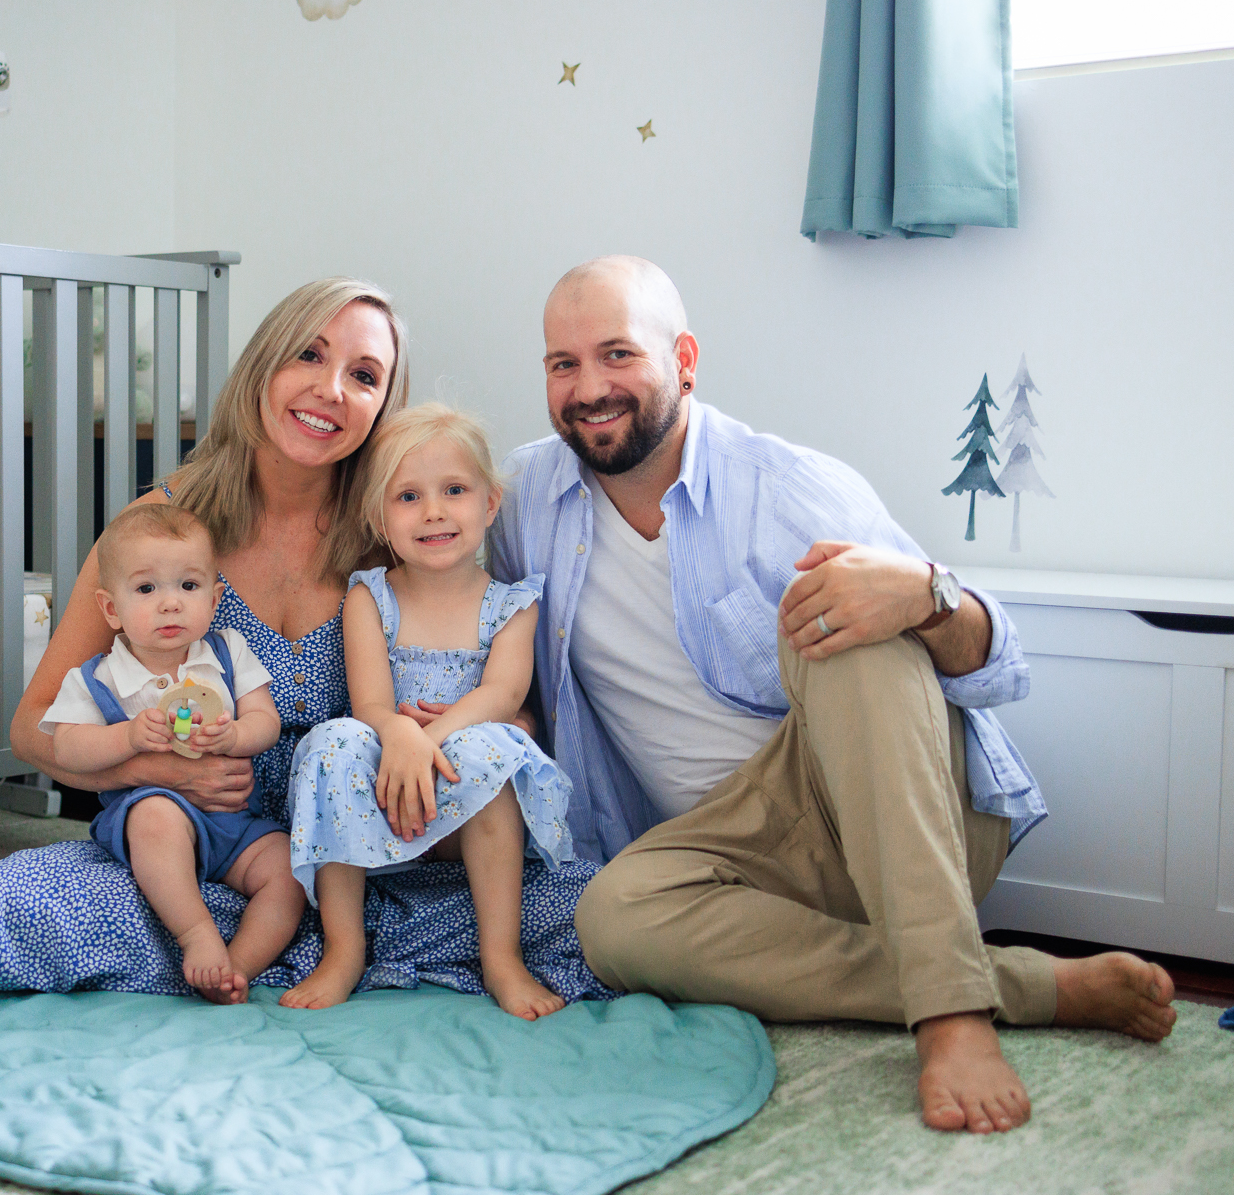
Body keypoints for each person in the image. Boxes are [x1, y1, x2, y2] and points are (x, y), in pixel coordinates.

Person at [487, 256, 1179, 1135]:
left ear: (685, 359)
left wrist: (926, 594)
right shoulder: (524, 504)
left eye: (618, 355)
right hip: (724, 862)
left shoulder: (785, 487)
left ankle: (953, 1017)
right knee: (610, 921)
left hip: (887, 813)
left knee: (845, 620)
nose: (589, 388)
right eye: (563, 364)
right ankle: (1029, 984)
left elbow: (1000, 665)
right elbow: (454, 605)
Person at [0, 276, 607, 1005]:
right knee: (12, 904)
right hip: (208, 860)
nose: (331, 389)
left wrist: (437, 747)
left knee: (592, 912)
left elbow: (514, 712)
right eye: (308, 355)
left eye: (363, 376)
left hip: (374, 862)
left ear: (381, 407)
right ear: (264, 365)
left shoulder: (400, 530)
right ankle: (239, 946)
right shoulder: (162, 530)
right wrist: (151, 772)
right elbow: (33, 725)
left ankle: (318, 946)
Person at [282, 405, 574, 1018]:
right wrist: (399, 738)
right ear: (380, 517)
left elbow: (502, 695)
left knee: (489, 750)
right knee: (336, 742)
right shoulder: (370, 596)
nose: (434, 511)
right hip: (389, 794)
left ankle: (502, 957)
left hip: (459, 791)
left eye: (454, 491)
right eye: (408, 496)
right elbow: (371, 704)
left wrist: (430, 738)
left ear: (490, 504)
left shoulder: (511, 605)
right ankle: (344, 949)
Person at [39, 502, 299, 1005]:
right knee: (155, 812)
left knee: (290, 870)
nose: (170, 604)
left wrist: (235, 737)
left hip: (235, 821)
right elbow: (67, 746)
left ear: (215, 597)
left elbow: (266, 720)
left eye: (188, 586)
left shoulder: (226, 652)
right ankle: (196, 933)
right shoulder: (99, 677)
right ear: (110, 608)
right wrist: (128, 738)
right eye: (145, 589)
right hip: (155, 823)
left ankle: (235, 968)